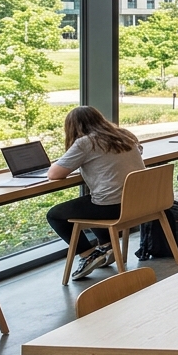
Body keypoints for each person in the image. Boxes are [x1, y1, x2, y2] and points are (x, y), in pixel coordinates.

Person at [46, 107, 147, 281]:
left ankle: (87, 255)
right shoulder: (123, 135)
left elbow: (54, 174)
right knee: (90, 201)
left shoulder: (86, 142)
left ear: (73, 127)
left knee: (54, 215)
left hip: (114, 208)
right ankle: (107, 246)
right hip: (139, 202)